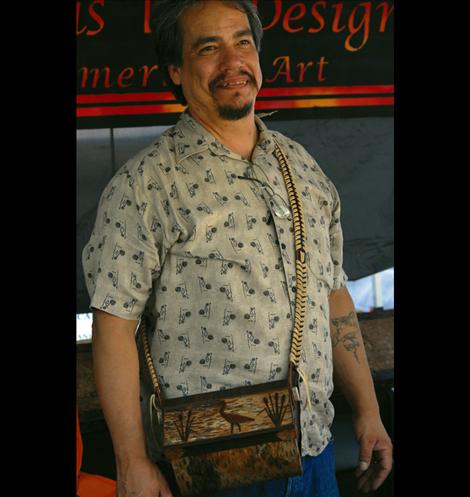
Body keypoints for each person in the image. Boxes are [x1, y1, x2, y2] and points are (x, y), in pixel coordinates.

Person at [82, 1, 393, 496]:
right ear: (176, 72)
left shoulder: (302, 168)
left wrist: (370, 412)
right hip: (214, 468)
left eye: (242, 42)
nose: (233, 62)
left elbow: (333, 297)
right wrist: (132, 460)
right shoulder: (145, 184)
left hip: (316, 453)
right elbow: (114, 326)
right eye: (209, 48)